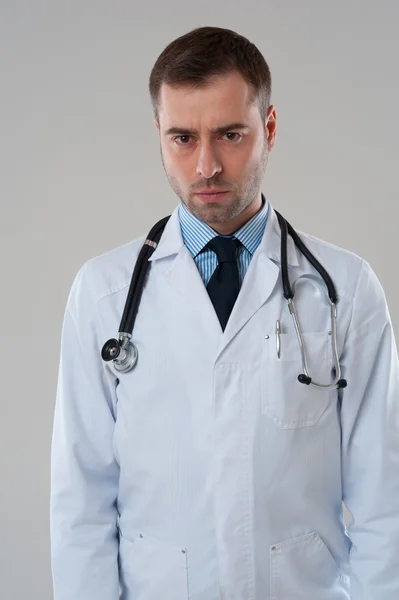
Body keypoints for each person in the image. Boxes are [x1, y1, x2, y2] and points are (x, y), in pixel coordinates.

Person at [50, 25, 399, 600]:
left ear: (269, 128)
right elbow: (81, 503)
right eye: (182, 138)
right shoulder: (104, 295)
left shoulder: (346, 289)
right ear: (158, 135)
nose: (207, 164)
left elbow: (385, 496)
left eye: (230, 135)